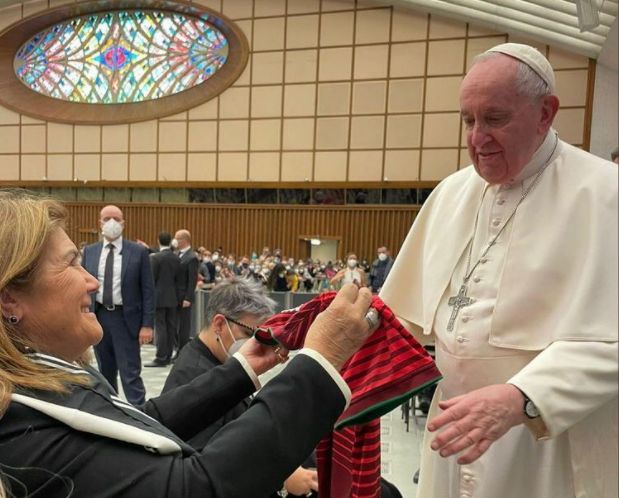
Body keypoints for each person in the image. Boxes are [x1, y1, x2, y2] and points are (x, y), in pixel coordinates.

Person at [0, 188, 377, 498]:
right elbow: (195, 488)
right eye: (70, 265)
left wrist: (242, 370)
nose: (92, 281)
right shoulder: (23, 426)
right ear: (10, 298)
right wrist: (318, 361)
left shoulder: (42, 378)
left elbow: (140, 421)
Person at [381, 43, 618, 498]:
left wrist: (522, 399)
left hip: (549, 441)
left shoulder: (606, 195)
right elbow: (401, 316)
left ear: (545, 113)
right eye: (468, 120)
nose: (476, 138)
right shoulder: (451, 193)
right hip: (453, 429)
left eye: (494, 119)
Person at [162, 278, 320, 497]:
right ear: (219, 324)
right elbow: (201, 470)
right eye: (249, 334)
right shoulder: (191, 376)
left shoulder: (216, 361)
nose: (257, 344)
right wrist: (281, 479)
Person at [82, 204, 155, 406]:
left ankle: (140, 414)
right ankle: (111, 413)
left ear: (123, 223)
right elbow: (82, 287)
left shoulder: (138, 252)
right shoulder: (90, 252)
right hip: (99, 317)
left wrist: (147, 324)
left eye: (116, 218)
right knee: (105, 372)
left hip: (126, 320)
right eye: (106, 218)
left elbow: (148, 291)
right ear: (100, 223)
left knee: (130, 373)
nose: (111, 222)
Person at [145, 231, 181, 367]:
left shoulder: (155, 258)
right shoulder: (176, 258)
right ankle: (168, 356)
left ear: (158, 241)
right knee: (171, 327)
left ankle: (160, 357)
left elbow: (151, 279)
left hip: (159, 298)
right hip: (173, 297)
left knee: (160, 327)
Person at [173, 229, 199, 355]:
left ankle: (182, 351)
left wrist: (188, 298)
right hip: (175, 297)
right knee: (175, 325)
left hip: (184, 297)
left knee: (183, 327)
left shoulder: (192, 257)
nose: (175, 241)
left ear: (184, 240)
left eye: (177, 238)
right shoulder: (178, 254)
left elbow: (192, 279)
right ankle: (177, 349)